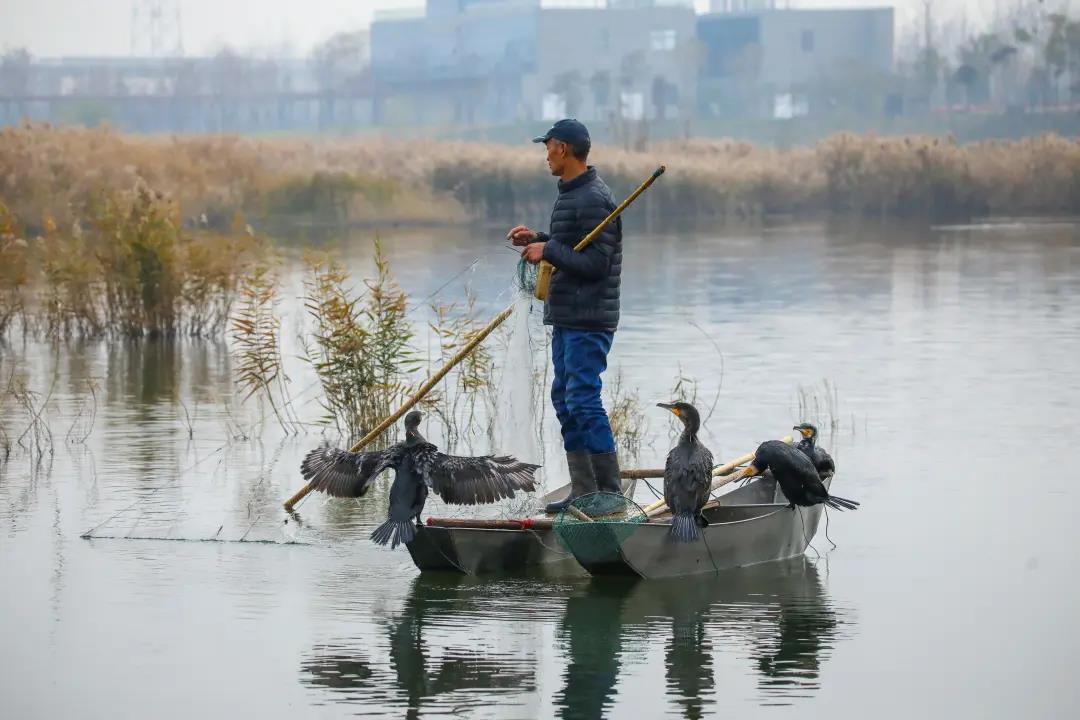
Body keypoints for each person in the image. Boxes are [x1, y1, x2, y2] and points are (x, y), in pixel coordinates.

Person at [508, 118, 622, 513]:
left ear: (562, 148)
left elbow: (596, 265)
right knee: (564, 397)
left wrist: (549, 252)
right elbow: (571, 246)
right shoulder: (573, 193)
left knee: (582, 398)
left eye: (548, 147)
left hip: (589, 319)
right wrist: (540, 240)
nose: (545, 155)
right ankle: (584, 490)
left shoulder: (594, 198)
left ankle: (608, 494)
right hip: (568, 315)